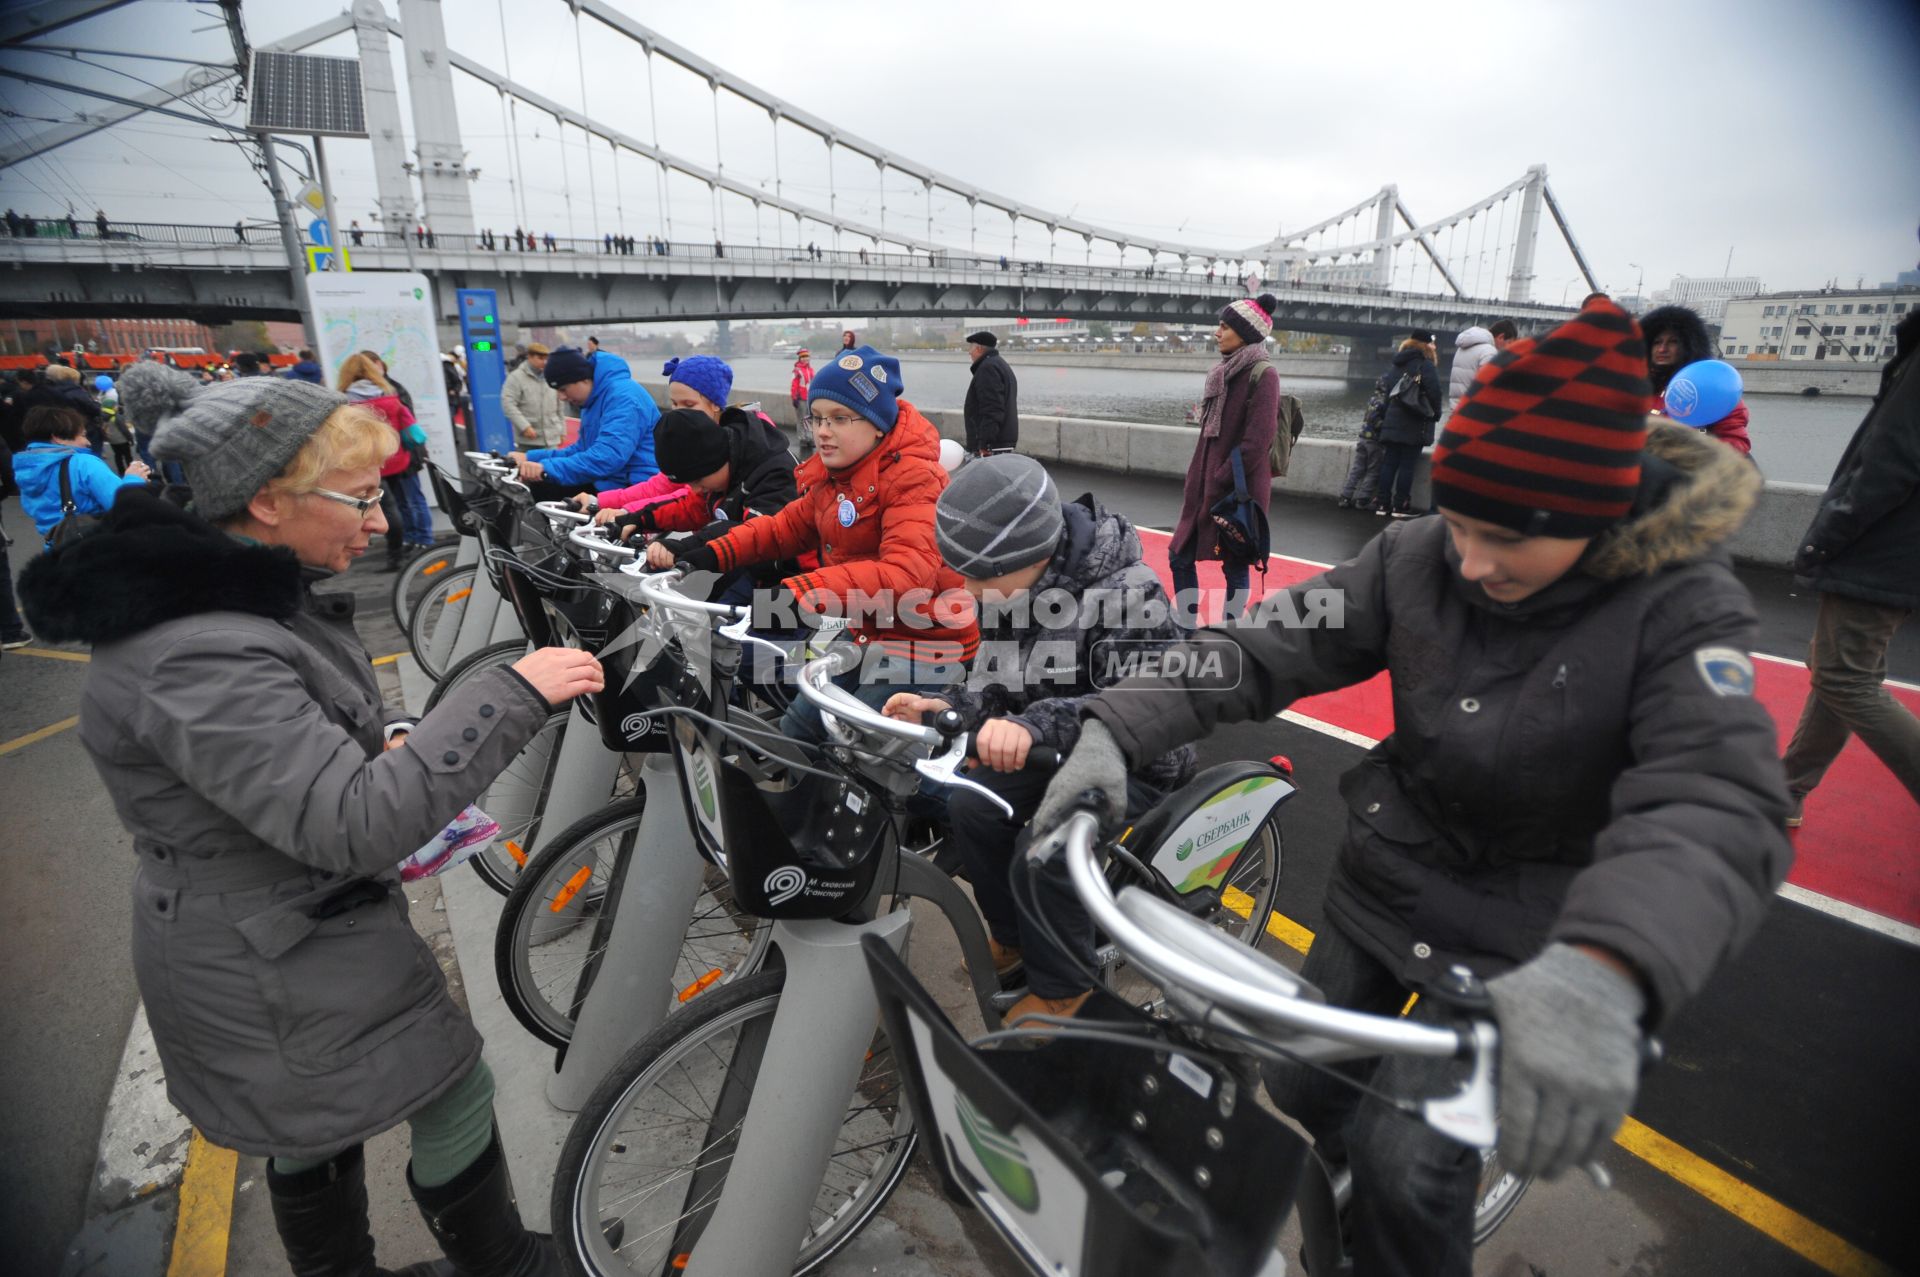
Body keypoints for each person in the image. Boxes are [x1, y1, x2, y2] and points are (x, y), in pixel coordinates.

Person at [1034, 300, 1792, 1277]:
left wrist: (1607, 968)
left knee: (1407, 1164)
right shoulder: (1416, 555)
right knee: (1301, 1087)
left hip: (1533, 936)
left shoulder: (1685, 608)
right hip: (1390, 873)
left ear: (1592, 516)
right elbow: (1265, 644)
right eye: (1458, 523)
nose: (1470, 561)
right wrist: (1117, 724)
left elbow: (1716, 800)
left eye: (1504, 540)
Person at [17, 377, 604, 1276]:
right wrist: (510, 690)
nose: (378, 523)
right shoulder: (199, 646)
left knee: (309, 1130)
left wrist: (376, 740)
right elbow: (352, 820)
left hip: (267, 932)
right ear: (264, 500)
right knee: (447, 1089)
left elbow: (277, 757)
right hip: (274, 951)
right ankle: (504, 1265)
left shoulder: (200, 605)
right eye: (360, 498)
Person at [883, 455, 1195, 1025]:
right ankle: (1014, 933)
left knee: (1044, 846)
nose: (970, 590)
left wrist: (1031, 725)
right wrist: (947, 707)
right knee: (971, 806)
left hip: (1135, 756)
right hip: (1047, 746)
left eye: (979, 576)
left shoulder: (1130, 594)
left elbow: (1137, 705)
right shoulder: (1014, 588)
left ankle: (1065, 989)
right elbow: (993, 681)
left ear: (1029, 554)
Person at [672, 345, 979, 740]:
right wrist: (707, 555)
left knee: (853, 741)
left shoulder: (915, 479)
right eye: (816, 418)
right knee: (802, 724)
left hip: (927, 641)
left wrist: (805, 592)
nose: (822, 431)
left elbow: (908, 574)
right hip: (872, 629)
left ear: (877, 425)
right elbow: (781, 529)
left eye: (839, 418)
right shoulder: (833, 478)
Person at [1780, 309, 1920, 824]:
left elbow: (1890, 460)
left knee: (1845, 679)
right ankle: (1787, 788)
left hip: (1887, 542)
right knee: (1838, 671)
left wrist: (1830, 533)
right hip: (1900, 546)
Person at [1168, 294, 1282, 627]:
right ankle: (1187, 630)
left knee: (1235, 565)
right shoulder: (1221, 371)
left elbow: (1258, 441)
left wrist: (1220, 476)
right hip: (1205, 486)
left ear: (1245, 331)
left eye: (1225, 326)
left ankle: (1229, 634)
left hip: (1236, 489)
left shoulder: (1264, 374)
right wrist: (1201, 478)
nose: (1217, 332)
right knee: (1179, 556)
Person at [507, 345, 659, 499]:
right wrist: (530, 458)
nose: (561, 397)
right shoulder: (592, 400)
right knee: (545, 487)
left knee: (549, 489)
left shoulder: (623, 398)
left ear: (584, 379)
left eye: (564, 389)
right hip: (611, 480)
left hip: (635, 485)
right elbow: (582, 449)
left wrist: (546, 468)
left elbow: (607, 457)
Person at [337, 353, 432, 569]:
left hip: (371, 462)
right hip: (399, 457)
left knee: (388, 507)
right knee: (411, 500)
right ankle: (421, 540)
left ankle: (398, 551)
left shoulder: (345, 402)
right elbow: (410, 425)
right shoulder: (391, 394)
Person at [13, 405, 150, 544]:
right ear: (58, 438)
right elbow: (124, 507)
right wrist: (134, 479)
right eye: (83, 435)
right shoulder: (83, 463)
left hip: (56, 544)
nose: (88, 442)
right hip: (93, 546)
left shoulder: (26, 467)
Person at [1640, 304, 1751, 454]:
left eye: (1673, 342)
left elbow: (1735, 442)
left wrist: (1689, 455)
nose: (1662, 349)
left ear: (1689, 345)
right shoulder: (1637, 387)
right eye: (1657, 342)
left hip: (1688, 472)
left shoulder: (1713, 389)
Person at [1372, 331, 1441, 517]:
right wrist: (1436, 414)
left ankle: (1382, 504)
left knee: (1389, 463)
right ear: (1425, 345)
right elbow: (1434, 391)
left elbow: (1387, 394)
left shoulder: (1397, 363)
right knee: (1407, 465)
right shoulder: (1425, 365)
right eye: (1432, 343)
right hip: (1414, 422)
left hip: (1392, 420)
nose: (1435, 347)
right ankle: (1400, 506)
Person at [27, 361, 106, 455]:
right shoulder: (77, 392)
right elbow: (93, 408)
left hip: (65, 428)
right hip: (85, 426)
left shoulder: (52, 391)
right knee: (91, 453)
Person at [962, 331, 1020, 456]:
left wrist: (985, 444)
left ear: (979, 348)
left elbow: (992, 409)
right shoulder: (1000, 364)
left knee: (985, 475)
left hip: (992, 446)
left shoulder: (987, 368)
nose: (969, 352)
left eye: (970, 348)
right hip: (1001, 442)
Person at [501, 341, 566, 448]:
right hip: (529, 440)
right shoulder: (516, 378)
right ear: (529, 357)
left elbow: (560, 406)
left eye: (546, 359)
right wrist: (525, 427)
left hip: (552, 439)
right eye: (540, 358)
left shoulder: (551, 376)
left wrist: (562, 431)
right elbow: (508, 404)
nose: (544, 362)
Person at [1445, 325, 1499, 415]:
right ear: (1501, 337)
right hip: (1474, 411)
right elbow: (1488, 383)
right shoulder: (1489, 351)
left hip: (1456, 407)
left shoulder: (1461, 349)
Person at [788, 348, 814, 439]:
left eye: (806, 356)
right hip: (801, 398)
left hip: (809, 398)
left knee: (809, 418)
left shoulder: (810, 369)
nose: (805, 358)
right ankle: (802, 438)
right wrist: (794, 398)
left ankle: (809, 438)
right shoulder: (797, 370)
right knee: (801, 419)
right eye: (802, 356)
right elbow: (793, 385)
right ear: (799, 358)